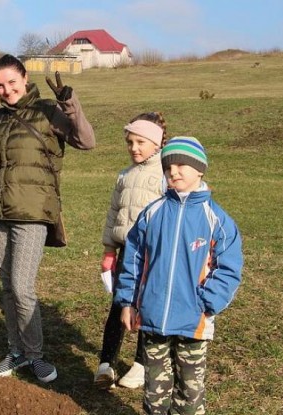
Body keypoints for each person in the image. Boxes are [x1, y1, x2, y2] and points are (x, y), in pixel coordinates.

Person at [0, 54, 95, 383]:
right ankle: (15, 350)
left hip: (32, 212)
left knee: (22, 287)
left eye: (12, 82)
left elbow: (86, 141)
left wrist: (69, 103)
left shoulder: (48, 110)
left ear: (24, 78)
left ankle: (35, 355)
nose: (6, 89)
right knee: (8, 287)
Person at [115, 136, 243, 414]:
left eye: (181, 165)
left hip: (192, 323)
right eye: (167, 167)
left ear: (200, 169)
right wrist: (128, 302)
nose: (173, 172)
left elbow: (228, 268)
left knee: (190, 392)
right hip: (152, 319)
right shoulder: (152, 213)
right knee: (155, 391)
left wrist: (206, 303)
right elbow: (133, 260)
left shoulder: (216, 219)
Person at [94, 112, 168, 391]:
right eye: (130, 142)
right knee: (118, 305)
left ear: (157, 143)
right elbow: (114, 213)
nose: (134, 148)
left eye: (141, 142)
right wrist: (109, 251)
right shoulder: (124, 175)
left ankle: (141, 363)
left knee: (146, 307)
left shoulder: (164, 174)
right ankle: (106, 363)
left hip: (153, 255)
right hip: (126, 252)